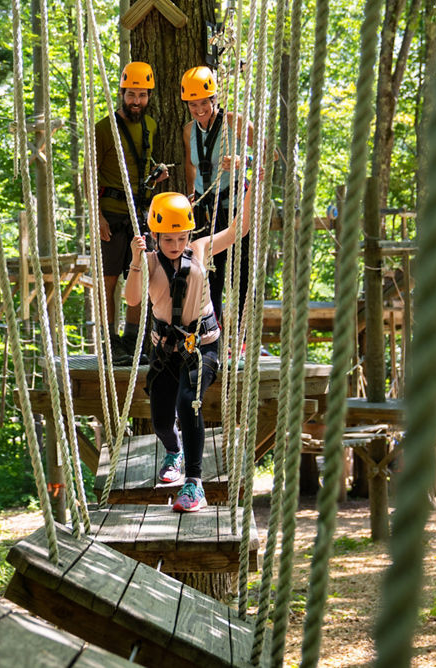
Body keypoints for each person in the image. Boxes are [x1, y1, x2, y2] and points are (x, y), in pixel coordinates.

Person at [124, 191, 251, 512]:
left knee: (188, 403)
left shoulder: (200, 248)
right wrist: (136, 261)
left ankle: (194, 484)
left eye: (182, 238)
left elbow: (239, 230)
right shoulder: (149, 263)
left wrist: (252, 189)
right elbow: (132, 300)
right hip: (165, 351)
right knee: (161, 419)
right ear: (155, 236)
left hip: (202, 346)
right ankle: (173, 452)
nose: (177, 245)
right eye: (169, 240)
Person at [94, 61, 169, 364]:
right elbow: (90, 174)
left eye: (142, 95)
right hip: (111, 215)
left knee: (139, 278)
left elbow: (140, 165)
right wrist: (96, 216)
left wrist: (156, 174)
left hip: (140, 216)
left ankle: (131, 341)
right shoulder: (103, 128)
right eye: (131, 95)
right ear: (122, 93)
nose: (136, 101)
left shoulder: (150, 126)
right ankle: (110, 342)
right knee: (110, 281)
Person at [181, 65, 254, 328]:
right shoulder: (189, 130)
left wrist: (242, 160)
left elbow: (270, 155)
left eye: (204, 103)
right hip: (205, 208)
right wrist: (191, 195)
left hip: (234, 204)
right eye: (193, 105)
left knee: (243, 271)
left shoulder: (235, 122)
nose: (200, 110)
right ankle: (214, 329)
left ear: (214, 99)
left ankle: (244, 333)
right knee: (211, 271)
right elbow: (190, 165)